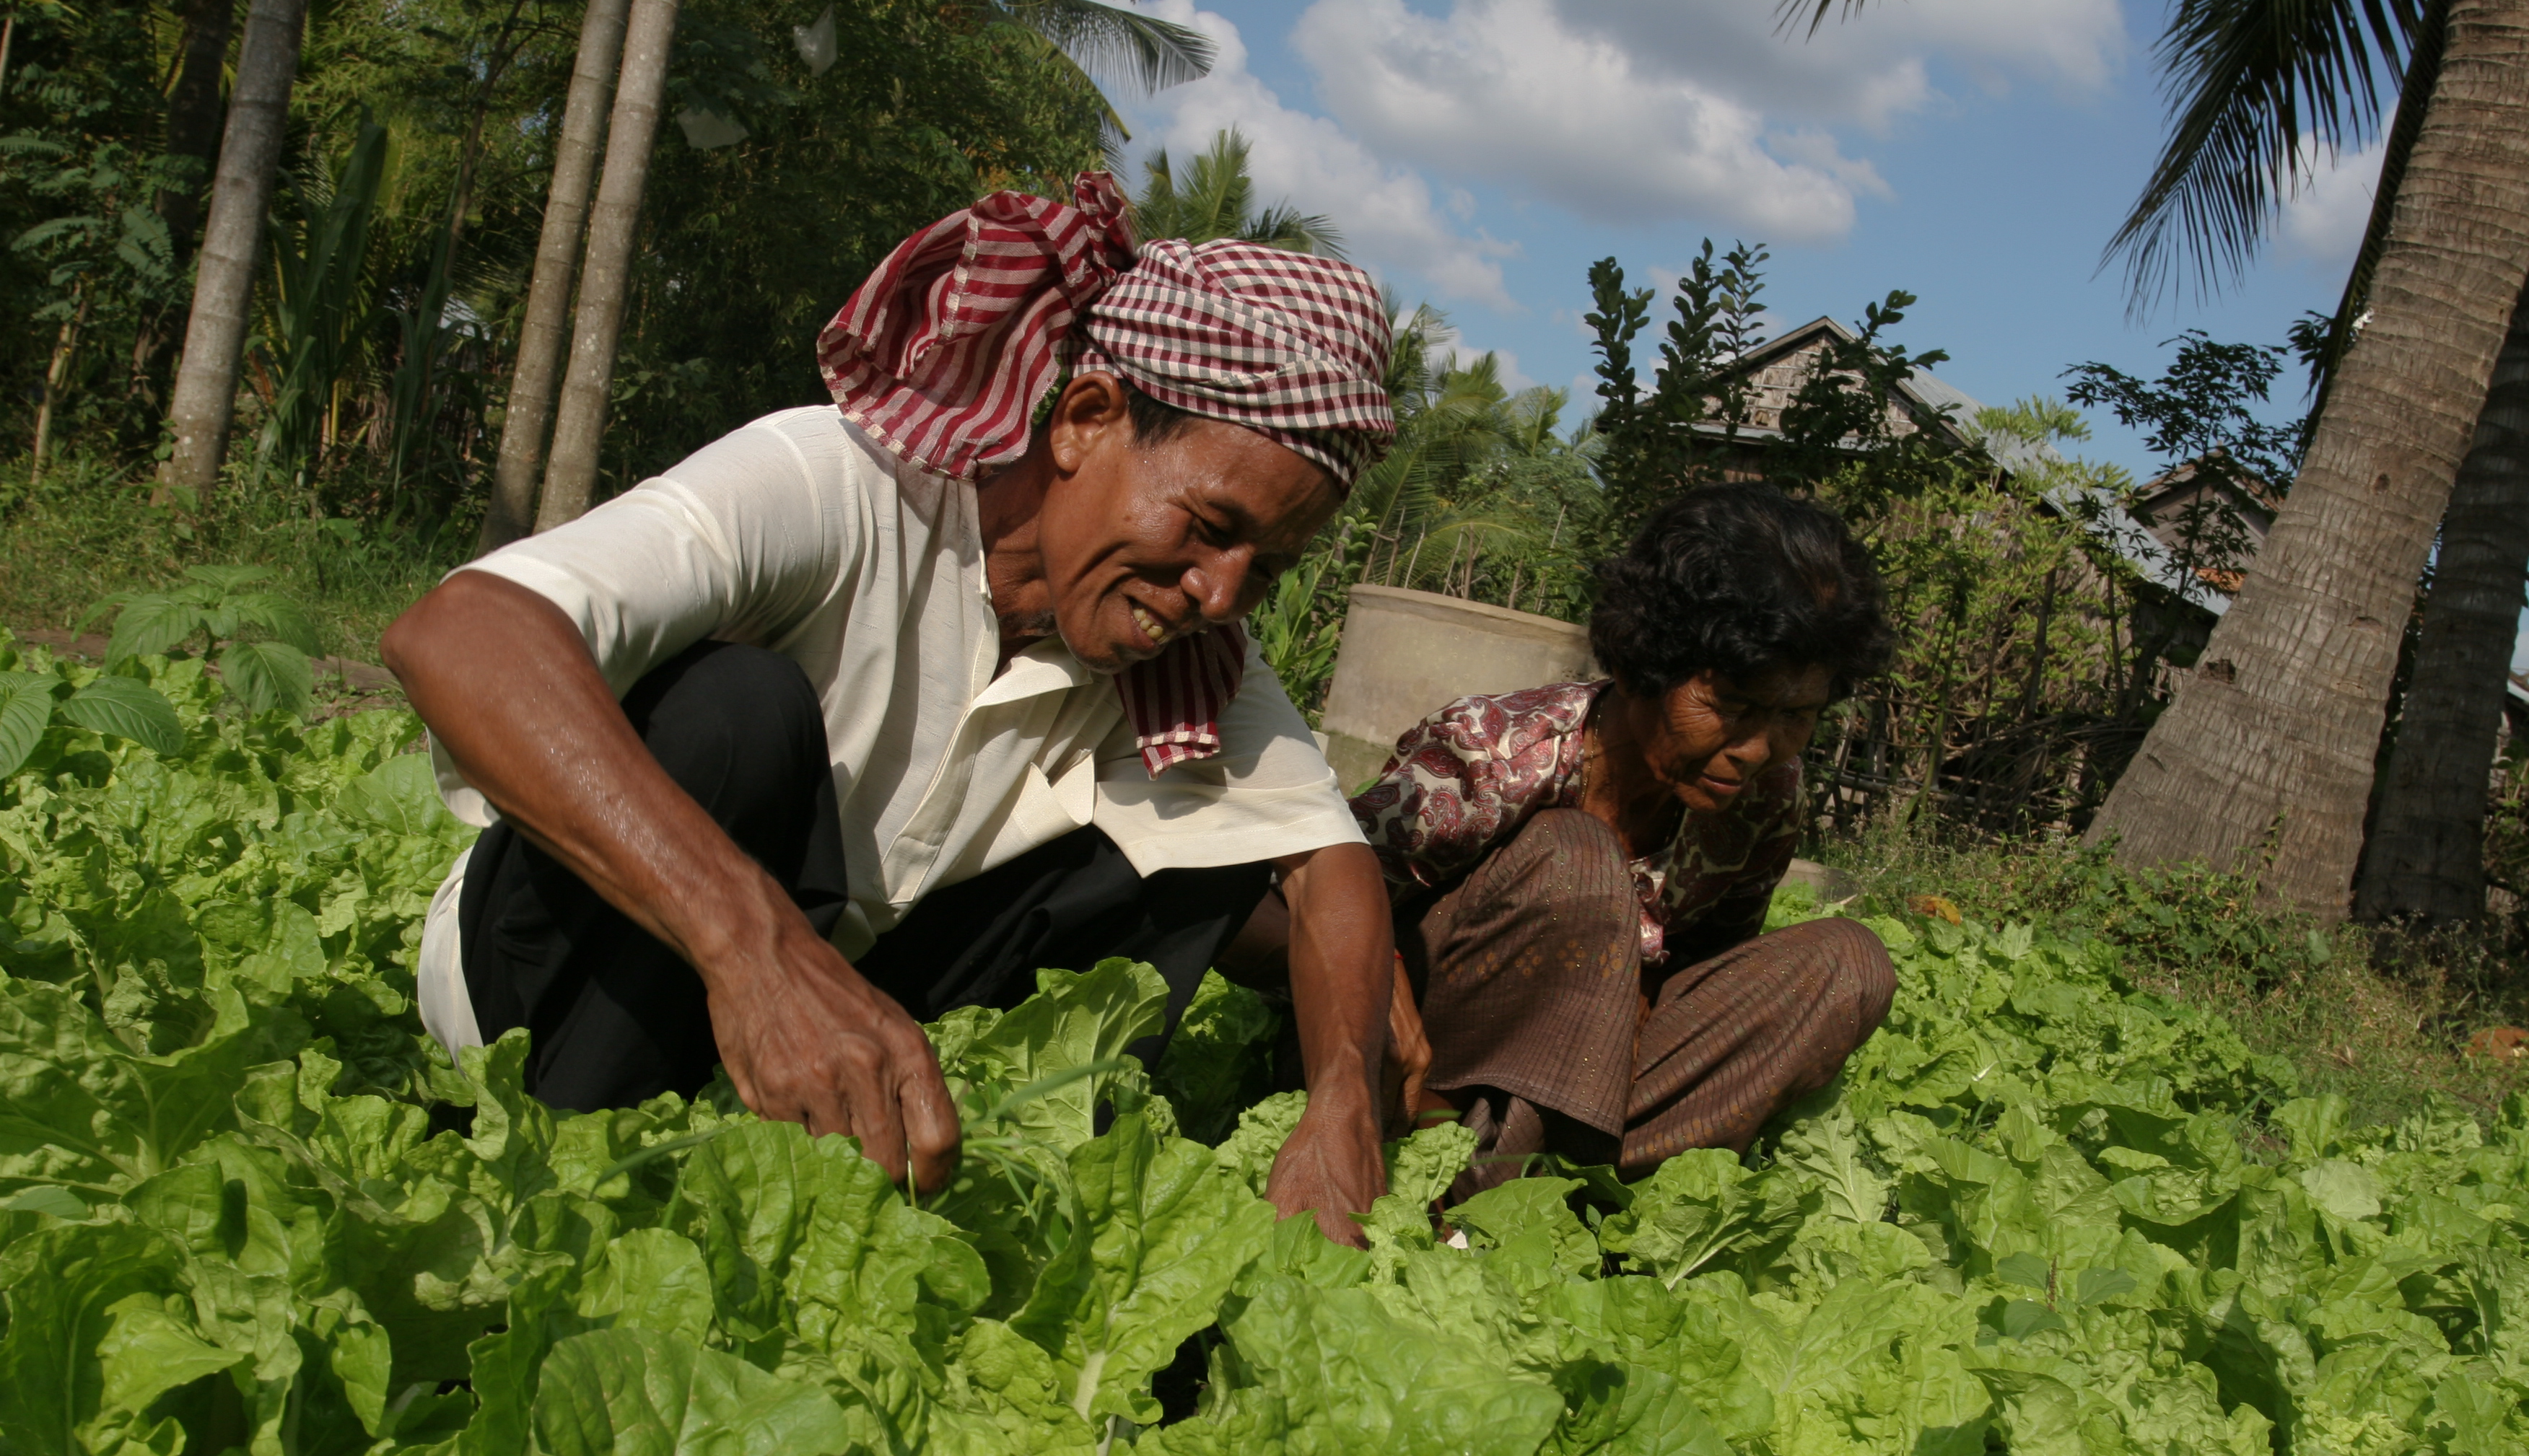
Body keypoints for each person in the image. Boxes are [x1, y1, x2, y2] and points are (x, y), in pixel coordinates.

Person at [383, 173, 1398, 1240]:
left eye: (1267, 569)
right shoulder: (839, 484)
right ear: (1088, 421)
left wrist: (1344, 1097)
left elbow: (1330, 865)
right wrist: (757, 952)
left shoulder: (1186, 654)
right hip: (532, 996)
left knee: (1192, 862)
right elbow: (458, 634)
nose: (1222, 594)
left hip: (815, 1016)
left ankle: (960, 1206)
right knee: (738, 709)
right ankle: (560, 1187)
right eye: (1207, 524)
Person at [1350, 481, 1900, 1193]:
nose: (1759, 747)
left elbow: (1709, 969)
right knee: (1577, 859)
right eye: (1730, 706)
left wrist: (1636, 996)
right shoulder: (1496, 754)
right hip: (1406, 1066)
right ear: (1646, 663)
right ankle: (1435, 1183)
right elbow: (1318, 893)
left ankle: (1567, 1191)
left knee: (1847, 965)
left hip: (1588, 1090)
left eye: (1797, 715)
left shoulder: (1763, 799)